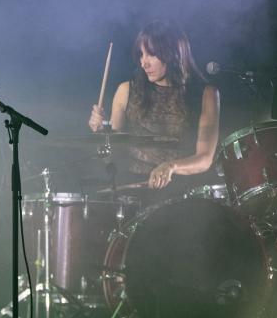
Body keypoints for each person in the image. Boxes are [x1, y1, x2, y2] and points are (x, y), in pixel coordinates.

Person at [88, 20, 219, 194]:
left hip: (182, 194)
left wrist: (171, 166)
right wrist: (100, 135)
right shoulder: (126, 91)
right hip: (132, 190)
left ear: (173, 54)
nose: (144, 63)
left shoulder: (206, 94)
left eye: (151, 54)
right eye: (141, 55)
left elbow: (205, 159)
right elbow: (111, 158)